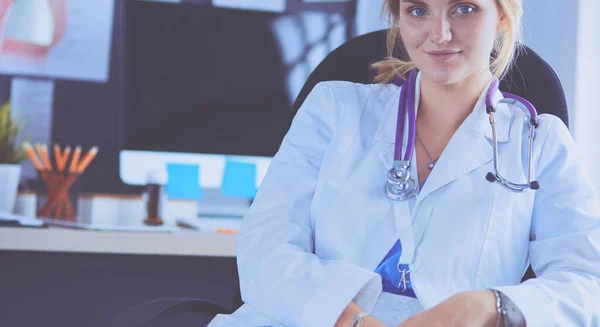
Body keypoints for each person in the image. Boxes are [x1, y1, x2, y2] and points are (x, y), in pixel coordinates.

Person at [208, 0, 600, 326]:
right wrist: (350, 321)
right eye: (418, 10)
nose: (440, 33)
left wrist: (489, 306)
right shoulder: (333, 109)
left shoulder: (539, 142)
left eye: (464, 9)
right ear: (398, 17)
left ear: (501, 15)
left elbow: (586, 280)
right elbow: (265, 249)